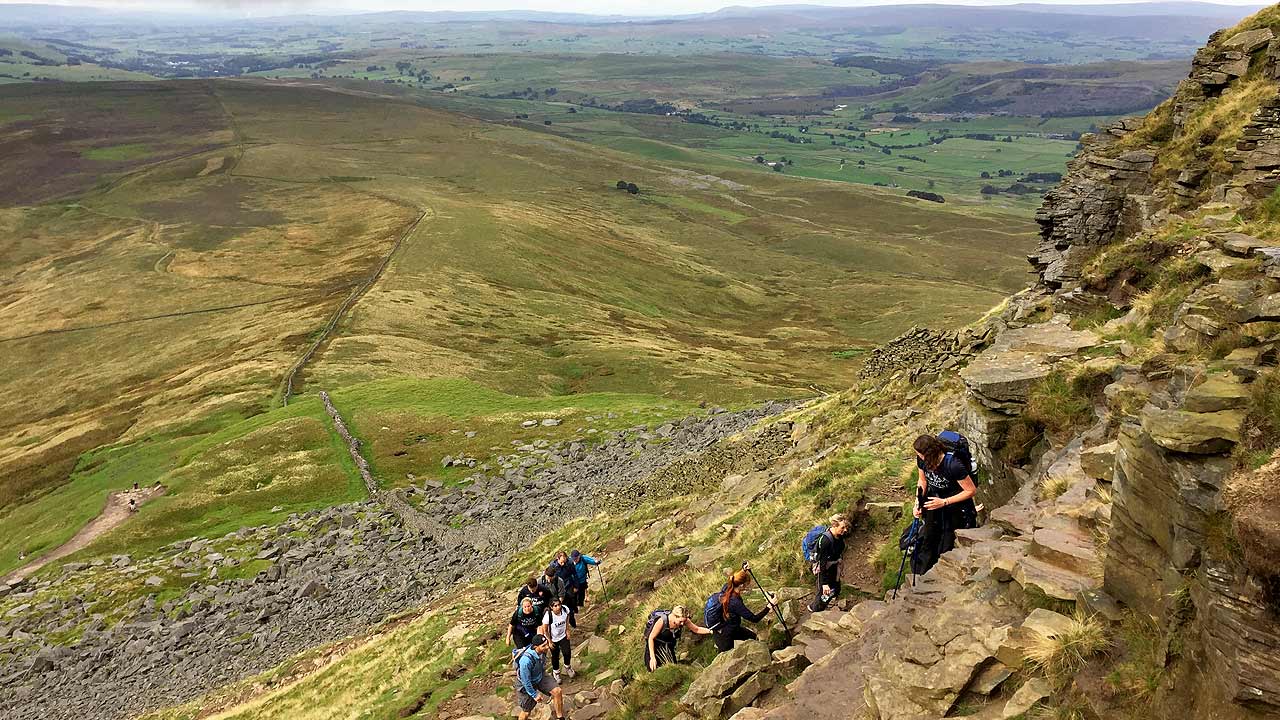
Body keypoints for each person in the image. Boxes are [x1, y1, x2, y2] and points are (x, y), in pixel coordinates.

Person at [912, 434, 978, 576]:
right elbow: (922, 481)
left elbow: (971, 491)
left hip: (955, 506)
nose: (918, 457)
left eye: (919, 454)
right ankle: (924, 574)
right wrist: (918, 502)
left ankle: (947, 574)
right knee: (929, 538)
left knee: (949, 542)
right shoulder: (922, 460)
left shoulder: (953, 465)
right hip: (934, 502)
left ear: (928, 454)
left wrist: (944, 502)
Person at [705, 567, 772, 652]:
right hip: (724, 634)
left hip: (730, 627)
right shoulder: (735, 603)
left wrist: (743, 570)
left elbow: (734, 579)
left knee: (753, 637)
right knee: (727, 658)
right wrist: (769, 606)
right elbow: (754, 619)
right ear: (741, 585)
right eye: (747, 584)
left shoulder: (728, 587)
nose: (748, 586)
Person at [514, 634, 566, 720]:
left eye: (547, 644)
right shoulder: (526, 661)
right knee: (526, 711)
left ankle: (560, 717)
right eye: (543, 646)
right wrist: (534, 695)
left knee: (557, 691)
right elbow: (526, 681)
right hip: (526, 683)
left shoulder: (542, 652)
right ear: (535, 647)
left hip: (540, 676)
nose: (547, 647)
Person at [645, 605, 712, 671]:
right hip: (655, 646)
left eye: (684, 621)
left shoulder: (684, 620)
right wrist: (652, 657)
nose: (682, 624)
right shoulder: (662, 621)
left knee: (672, 669)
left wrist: (710, 631)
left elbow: (696, 629)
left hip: (669, 646)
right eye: (680, 621)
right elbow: (651, 638)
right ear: (675, 616)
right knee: (653, 669)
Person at [809, 514, 852, 612]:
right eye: (843, 527)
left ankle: (822, 604)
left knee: (836, 589)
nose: (845, 530)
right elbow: (822, 563)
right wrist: (824, 583)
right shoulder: (825, 541)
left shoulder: (839, 536)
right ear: (834, 526)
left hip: (833, 566)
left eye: (846, 527)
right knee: (824, 593)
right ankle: (815, 609)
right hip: (824, 569)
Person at [541, 597, 574, 681]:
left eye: (559, 605)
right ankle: (556, 672)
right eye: (555, 606)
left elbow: (567, 617)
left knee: (567, 652)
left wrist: (567, 630)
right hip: (553, 638)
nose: (558, 607)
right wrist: (549, 641)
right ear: (551, 607)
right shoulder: (548, 616)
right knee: (555, 656)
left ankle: (567, 667)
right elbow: (545, 630)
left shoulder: (565, 610)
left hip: (563, 635)